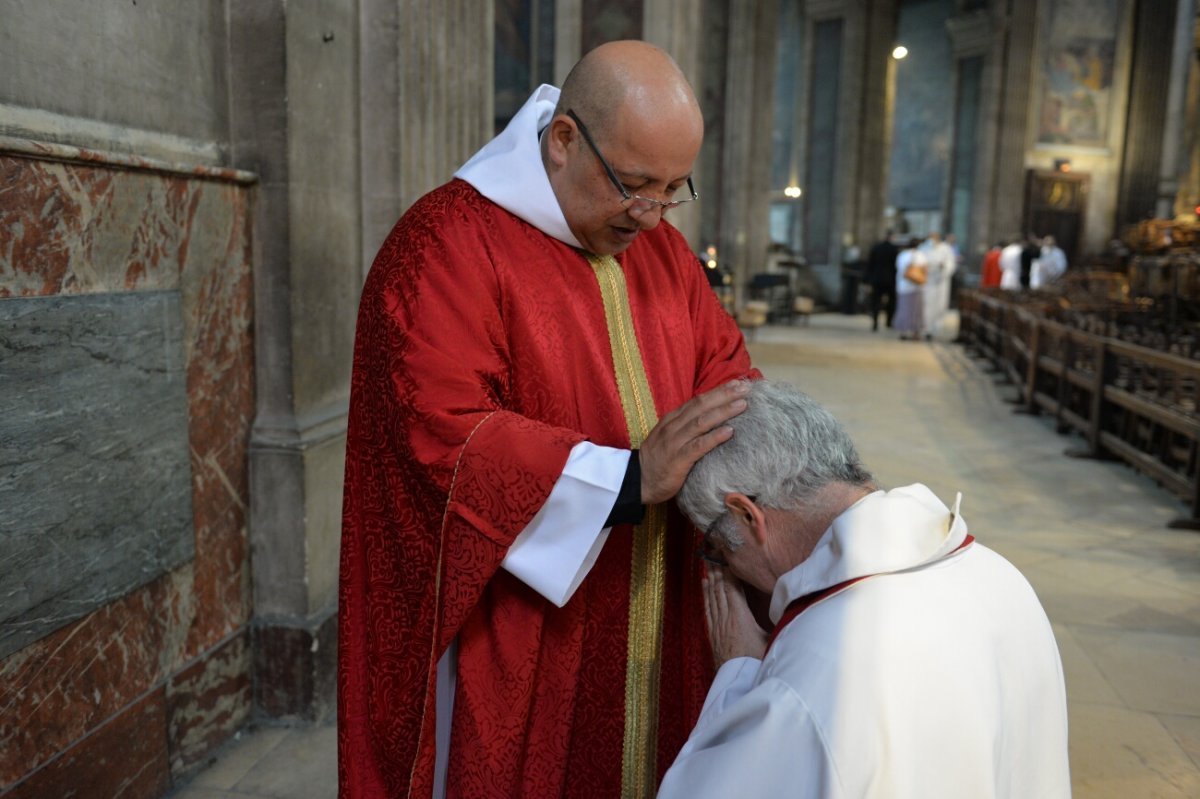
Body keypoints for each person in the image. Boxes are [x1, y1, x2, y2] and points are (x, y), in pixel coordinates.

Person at [338, 41, 758, 798]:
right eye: (634, 184)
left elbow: (727, 368)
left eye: (672, 190)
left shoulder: (662, 253)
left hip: (658, 606)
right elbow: (441, 432)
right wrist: (626, 478)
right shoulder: (447, 242)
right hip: (524, 634)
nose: (652, 215)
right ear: (564, 140)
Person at [658, 380, 1071, 798]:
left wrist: (739, 674)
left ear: (747, 516)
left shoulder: (818, 663)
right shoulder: (999, 574)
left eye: (716, 551)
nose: (726, 570)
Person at [920, 231, 957, 339]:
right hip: (927, 281)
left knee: (940, 305)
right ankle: (925, 329)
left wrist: (943, 267)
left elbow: (950, 263)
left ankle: (935, 329)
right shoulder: (923, 248)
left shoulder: (946, 249)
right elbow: (919, 262)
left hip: (941, 282)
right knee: (926, 305)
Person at [863, 230, 899, 331]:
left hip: (877, 279)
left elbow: (870, 265)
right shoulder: (894, 249)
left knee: (876, 301)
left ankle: (875, 321)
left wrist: (867, 280)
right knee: (891, 302)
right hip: (891, 279)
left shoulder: (876, 248)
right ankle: (889, 322)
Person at [893, 237, 926, 340]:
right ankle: (915, 332)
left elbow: (899, 268)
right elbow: (925, 270)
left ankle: (903, 331)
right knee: (915, 311)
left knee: (904, 308)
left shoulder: (902, 255)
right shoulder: (921, 255)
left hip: (904, 286)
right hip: (917, 287)